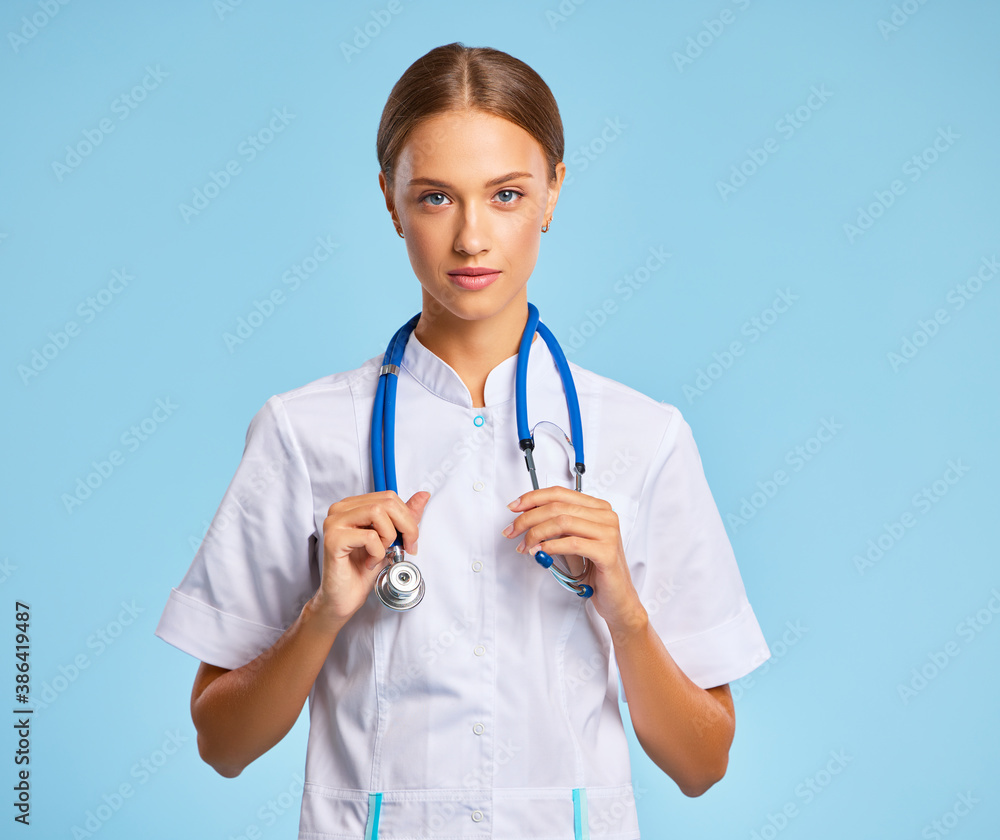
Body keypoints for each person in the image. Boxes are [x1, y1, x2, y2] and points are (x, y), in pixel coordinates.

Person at [155, 42, 771, 839]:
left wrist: (624, 609)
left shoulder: (644, 437)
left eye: (508, 194)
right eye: (437, 197)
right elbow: (222, 745)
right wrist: (323, 614)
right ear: (389, 199)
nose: (473, 238)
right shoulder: (302, 431)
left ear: (553, 190)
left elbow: (702, 765)